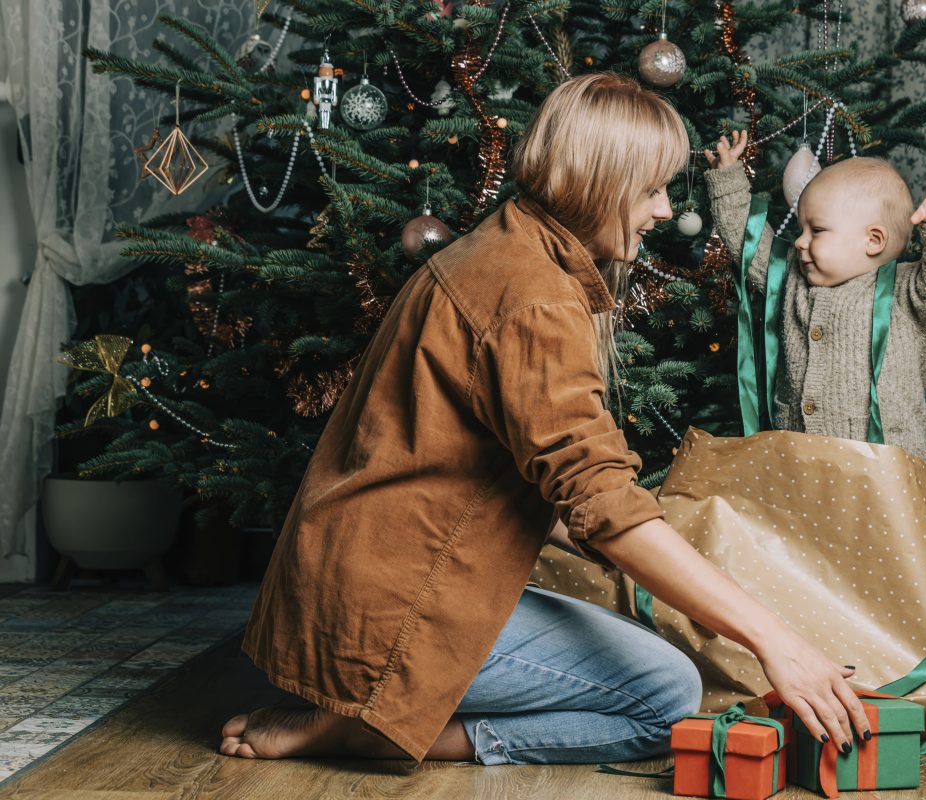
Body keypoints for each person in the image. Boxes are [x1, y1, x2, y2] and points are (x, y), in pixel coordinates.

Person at [219, 73, 869, 767]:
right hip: (386, 610)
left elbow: (529, 490)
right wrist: (777, 642)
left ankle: (371, 717)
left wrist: (675, 573)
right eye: (651, 190)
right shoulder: (534, 297)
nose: (662, 211)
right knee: (666, 693)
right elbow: (598, 500)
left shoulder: (502, 247)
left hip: (346, 584)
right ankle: (371, 729)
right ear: (597, 182)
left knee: (651, 636)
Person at [704, 131, 926, 462]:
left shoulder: (904, 292)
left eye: (816, 231)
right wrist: (728, 179)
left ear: (873, 240)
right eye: (802, 229)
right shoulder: (793, 278)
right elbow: (751, 244)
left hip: (886, 474)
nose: (800, 242)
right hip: (802, 467)